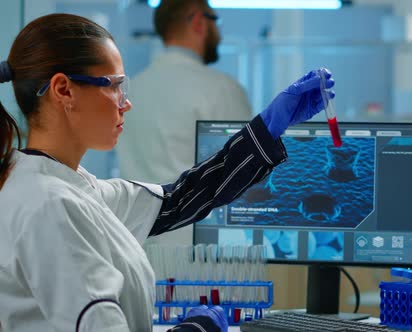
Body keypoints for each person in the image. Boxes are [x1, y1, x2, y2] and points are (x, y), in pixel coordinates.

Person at [0, 13, 333, 332]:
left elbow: (178, 200)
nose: (124, 102)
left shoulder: (66, 185)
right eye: (114, 85)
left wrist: (268, 129)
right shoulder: (49, 205)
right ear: (63, 90)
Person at [116, 0, 252, 185]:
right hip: (197, 214)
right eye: (215, 20)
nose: (219, 34)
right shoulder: (222, 89)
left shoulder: (131, 90)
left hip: (134, 212)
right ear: (198, 21)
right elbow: (243, 171)